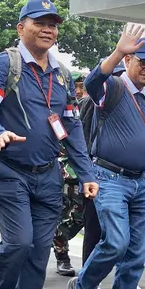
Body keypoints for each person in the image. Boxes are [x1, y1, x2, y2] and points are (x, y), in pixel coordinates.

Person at [0, 0, 98, 289]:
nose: (47, 29)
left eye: (52, 25)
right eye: (39, 23)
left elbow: (71, 126)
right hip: (7, 169)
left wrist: (86, 173)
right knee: (19, 242)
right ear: (20, 28)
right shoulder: (5, 63)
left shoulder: (63, 74)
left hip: (47, 175)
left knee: (40, 252)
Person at [69, 26, 145, 289]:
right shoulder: (115, 86)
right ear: (129, 60)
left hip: (140, 183)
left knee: (137, 252)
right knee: (116, 243)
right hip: (109, 178)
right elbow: (91, 83)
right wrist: (118, 51)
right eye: (144, 62)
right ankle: (82, 286)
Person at [80, 60, 125, 265]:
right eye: (113, 75)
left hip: (124, 177)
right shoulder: (93, 101)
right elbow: (83, 137)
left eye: (120, 75)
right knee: (94, 229)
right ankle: (87, 280)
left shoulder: (131, 99)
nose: (117, 80)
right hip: (97, 173)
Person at [52, 71, 86, 277]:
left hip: (83, 172)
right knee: (63, 215)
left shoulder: (89, 108)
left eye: (82, 86)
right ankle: (62, 257)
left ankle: (54, 239)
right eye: (76, 87)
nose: (80, 91)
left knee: (79, 218)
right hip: (64, 171)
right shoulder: (60, 109)